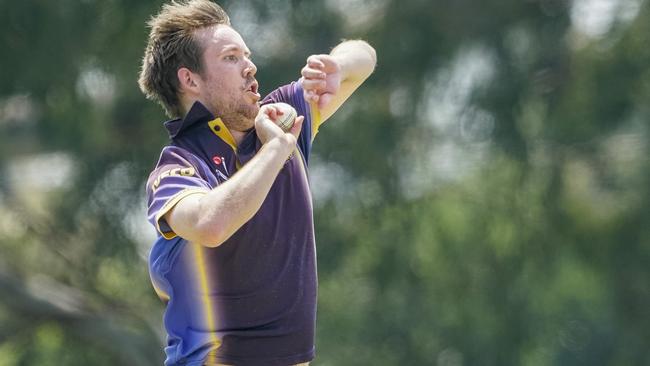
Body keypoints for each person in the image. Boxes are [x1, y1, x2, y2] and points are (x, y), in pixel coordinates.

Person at [138, 1, 376, 365]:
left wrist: (336, 66)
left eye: (246, 55)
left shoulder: (279, 114)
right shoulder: (178, 166)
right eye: (232, 58)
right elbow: (211, 224)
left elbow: (365, 57)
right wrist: (277, 147)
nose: (250, 67)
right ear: (190, 80)